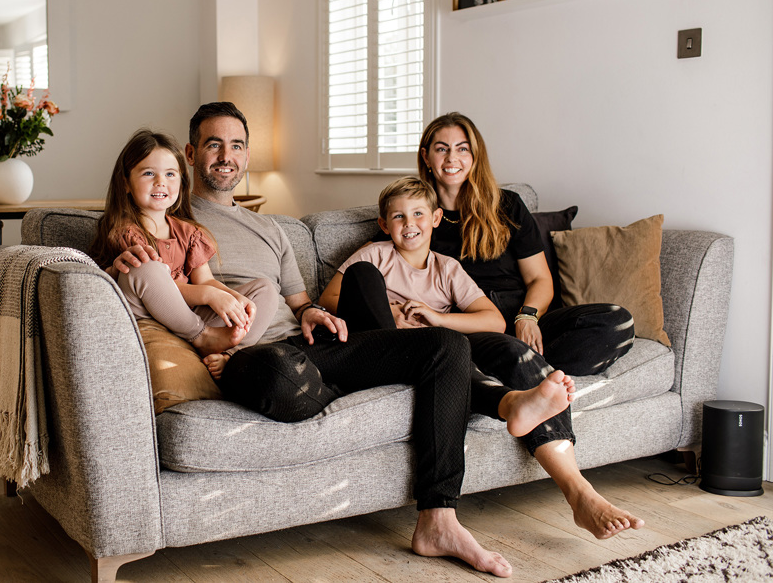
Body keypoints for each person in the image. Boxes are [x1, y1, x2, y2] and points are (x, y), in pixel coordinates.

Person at [114, 102, 514, 577]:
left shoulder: (272, 227)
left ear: (246, 155)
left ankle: (438, 518)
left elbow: (300, 299)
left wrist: (313, 313)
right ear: (191, 153)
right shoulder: (168, 218)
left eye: (237, 145)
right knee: (282, 373)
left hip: (310, 347)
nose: (227, 156)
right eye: (214, 144)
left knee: (446, 345)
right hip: (250, 353)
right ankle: (340, 387)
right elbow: (149, 276)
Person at [412, 111, 644, 539]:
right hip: (473, 328)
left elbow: (540, 280)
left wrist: (529, 316)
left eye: (463, 148)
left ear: (475, 155)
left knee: (617, 323)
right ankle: (579, 493)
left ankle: (528, 376)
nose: (452, 158)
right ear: (426, 156)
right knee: (514, 354)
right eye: (442, 148)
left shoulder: (507, 206)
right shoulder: (420, 218)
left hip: (525, 319)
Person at [319, 176, 576, 443]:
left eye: (418, 214)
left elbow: (495, 322)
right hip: (381, 347)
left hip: (430, 351)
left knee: (456, 355)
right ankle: (511, 403)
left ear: (436, 218)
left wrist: (438, 318)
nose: (409, 224)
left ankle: (517, 404)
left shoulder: (448, 269)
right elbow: (329, 298)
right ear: (384, 224)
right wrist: (388, 312)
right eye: (399, 217)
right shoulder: (374, 255)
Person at [89, 128, 277, 361]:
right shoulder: (125, 231)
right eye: (148, 173)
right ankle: (202, 335)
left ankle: (230, 354)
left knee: (265, 290)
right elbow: (164, 286)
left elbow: (205, 280)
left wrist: (231, 298)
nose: (160, 182)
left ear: (181, 181)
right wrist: (208, 295)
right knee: (144, 266)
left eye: (170, 174)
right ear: (126, 183)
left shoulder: (189, 232)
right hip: (151, 315)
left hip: (190, 313)